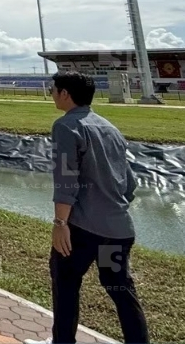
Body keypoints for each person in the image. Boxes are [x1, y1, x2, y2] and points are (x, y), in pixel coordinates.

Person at [34, 71, 149, 344]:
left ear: (64, 94)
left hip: (82, 231)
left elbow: (66, 177)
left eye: (53, 90)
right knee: (120, 288)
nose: (52, 95)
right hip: (117, 229)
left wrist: (60, 224)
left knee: (66, 284)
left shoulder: (66, 127)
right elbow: (129, 183)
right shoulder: (110, 128)